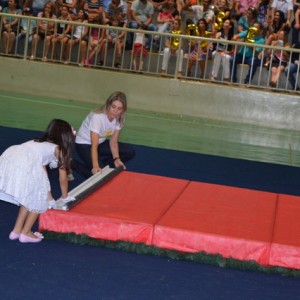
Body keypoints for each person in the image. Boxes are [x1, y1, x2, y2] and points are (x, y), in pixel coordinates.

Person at [0, 119, 75, 243]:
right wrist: (64, 197)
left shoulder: (39, 142)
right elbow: (63, 178)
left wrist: (50, 198)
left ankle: (16, 230)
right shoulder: (60, 150)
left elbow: (42, 176)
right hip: (25, 162)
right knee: (39, 198)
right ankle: (26, 233)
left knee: (29, 196)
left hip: (10, 156)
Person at [73, 91, 135, 178]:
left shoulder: (120, 118)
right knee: (99, 176)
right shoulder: (97, 117)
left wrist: (116, 159)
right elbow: (94, 146)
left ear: (123, 109)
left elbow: (113, 142)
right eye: (113, 107)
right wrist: (95, 166)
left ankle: (103, 166)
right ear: (108, 104)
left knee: (129, 152)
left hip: (100, 143)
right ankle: (72, 164)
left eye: (119, 108)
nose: (115, 111)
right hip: (84, 145)